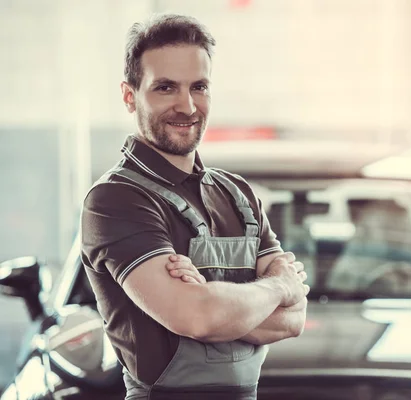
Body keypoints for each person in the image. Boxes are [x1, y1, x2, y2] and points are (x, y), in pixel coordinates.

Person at [80, 13, 309, 400]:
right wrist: (277, 285)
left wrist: (217, 302)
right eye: (166, 88)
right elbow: (198, 317)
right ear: (129, 95)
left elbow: (294, 319)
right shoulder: (114, 200)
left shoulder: (238, 194)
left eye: (198, 87)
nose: (187, 106)